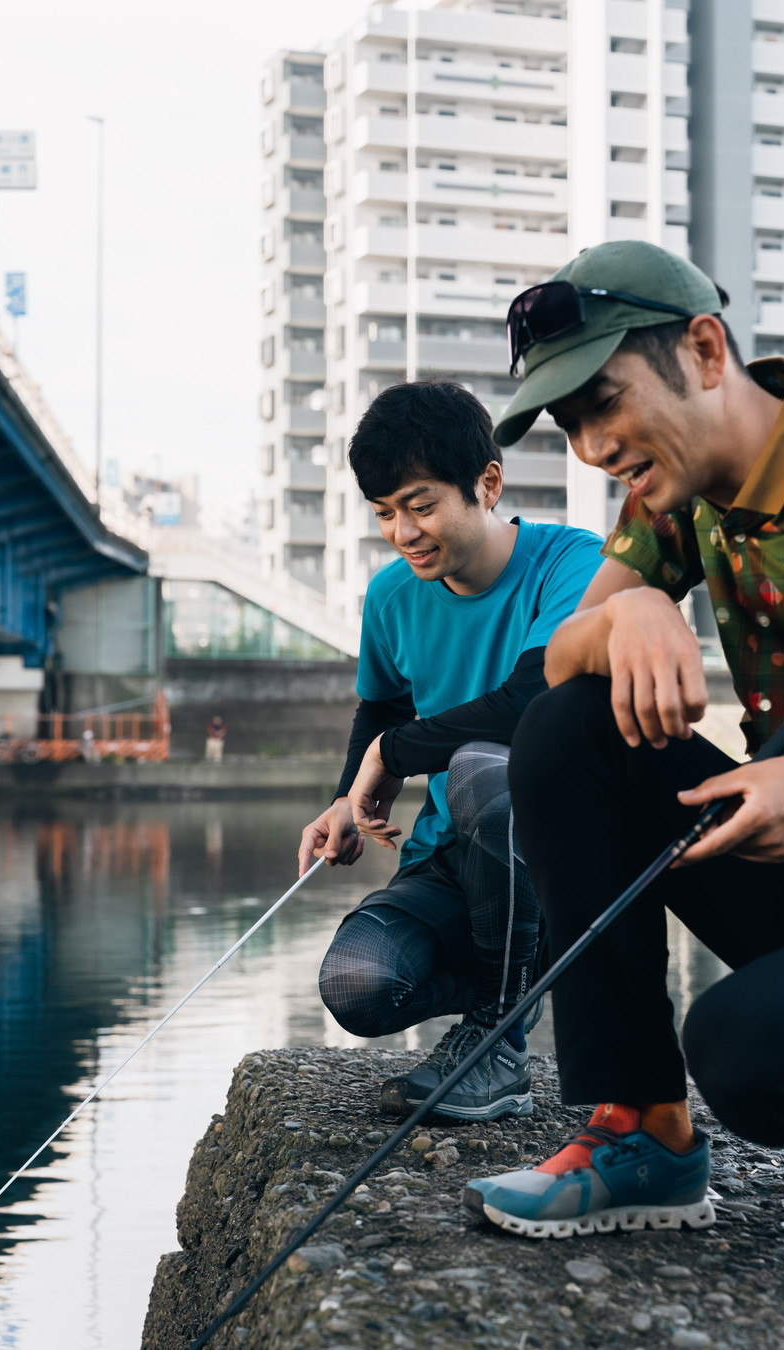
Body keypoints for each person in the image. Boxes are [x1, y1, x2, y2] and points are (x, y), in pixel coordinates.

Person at [464, 239, 784, 1237]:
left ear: (705, 350)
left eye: (604, 403)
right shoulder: (672, 499)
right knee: (572, 727)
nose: (592, 448)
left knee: (749, 1048)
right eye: (569, 424)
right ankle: (642, 1132)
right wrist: (630, 613)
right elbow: (562, 664)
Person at [298, 381, 602, 1121]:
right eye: (384, 513)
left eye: (421, 504)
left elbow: (531, 703)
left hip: (558, 858)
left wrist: (394, 753)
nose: (403, 532)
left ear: (487, 484)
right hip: (450, 857)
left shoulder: (575, 562)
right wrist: (346, 799)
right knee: (357, 984)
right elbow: (384, 705)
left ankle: (497, 1043)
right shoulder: (390, 596)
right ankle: (514, 970)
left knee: (481, 767)